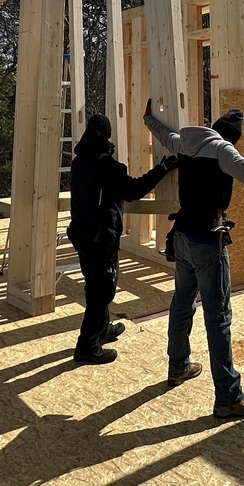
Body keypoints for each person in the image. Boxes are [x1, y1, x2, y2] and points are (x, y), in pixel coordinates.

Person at [143, 99, 244, 417]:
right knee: (218, 319)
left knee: (181, 303)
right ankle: (228, 397)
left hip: (182, 236)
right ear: (232, 137)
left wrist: (149, 119)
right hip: (207, 242)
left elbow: (165, 135)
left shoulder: (186, 142)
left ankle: (178, 367)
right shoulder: (222, 150)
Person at [67, 113, 178, 365]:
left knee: (95, 284)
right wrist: (162, 169)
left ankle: (103, 329)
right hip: (98, 238)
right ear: (108, 136)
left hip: (83, 234)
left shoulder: (80, 161)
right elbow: (133, 190)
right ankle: (87, 346)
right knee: (103, 289)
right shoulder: (104, 165)